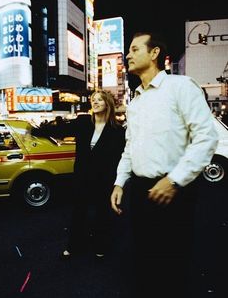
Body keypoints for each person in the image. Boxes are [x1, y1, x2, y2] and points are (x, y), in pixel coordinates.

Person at [110, 32, 219, 298]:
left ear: (155, 53)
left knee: (173, 261)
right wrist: (119, 182)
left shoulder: (181, 86)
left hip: (175, 190)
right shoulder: (135, 101)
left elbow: (206, 137)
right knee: (145, 256)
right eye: (129, 50)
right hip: (141, 190)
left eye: (135, 49)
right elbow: (130, 146)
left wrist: (174, 180)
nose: (128, 55)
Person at [61, 90, 125, 259]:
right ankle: (73, 246)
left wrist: (118, 182)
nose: (95, 103)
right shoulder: (83, 122)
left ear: (107, 104)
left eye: (99, 100)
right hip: (82, 178)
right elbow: (61, 130)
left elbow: (119, 157)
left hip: (104, 179)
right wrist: (33, 131)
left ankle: (100, 245)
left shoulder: (117, 130)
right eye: (93, 100)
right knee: (78, 212)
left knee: (102, 214)